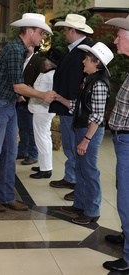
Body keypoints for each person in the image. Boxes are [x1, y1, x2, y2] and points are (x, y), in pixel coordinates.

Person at [0, 13, 55, 212]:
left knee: (10, 152)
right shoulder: (14, 50)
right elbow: (18, 86)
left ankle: (6, 196)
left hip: (6, 105)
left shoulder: (18, 49)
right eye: (40, 33)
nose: (42, 37)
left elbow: (12, 85)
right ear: (29, 31)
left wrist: (22, 94)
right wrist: (42, 94)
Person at [55, 42, 113, 225]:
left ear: (96, 63)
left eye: (87, 59)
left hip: (89, 133)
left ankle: (92, 210)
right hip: (81, 129)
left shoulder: (99, 84)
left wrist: (86, 140)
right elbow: (78, 107)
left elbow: (96, 117)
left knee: (89, 171)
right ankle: (80, 204)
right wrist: (59, 98)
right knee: (80, 169)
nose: (83, 62)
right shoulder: (90, 80)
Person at [48, 14, 95, 202]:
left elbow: (83, 82)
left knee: (76, 147)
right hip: (67, 106)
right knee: (69, 145)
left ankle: (78, 184)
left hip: (75, 108)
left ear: (73, 31)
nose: (64, 34)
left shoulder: (87, 50)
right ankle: (71, 177)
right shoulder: (75, 49)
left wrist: (70, 103)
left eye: (66, 30)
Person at [102, 15, 129, 273]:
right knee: (123, 194)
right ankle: (126, 236)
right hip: (123, 141)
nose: (115, 40)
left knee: (127, 200)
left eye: (119, 36)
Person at [28, 51, 58, 179]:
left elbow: (39, 92)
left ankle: (46, 169)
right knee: (45, 137)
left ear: (49, 64)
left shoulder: (47, 76)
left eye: (46, 61)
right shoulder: (53, 74)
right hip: (44, 109)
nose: (44, 62)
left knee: (42, 138)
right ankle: (44, 164)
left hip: (41, 109)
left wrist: (30, 90)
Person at [16, 45, 44, 165]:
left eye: (30, 46)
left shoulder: (38, 61)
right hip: (18, 100)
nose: (26, 48)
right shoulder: (18, 60)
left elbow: (39, 83)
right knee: (22, 128)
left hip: (30, 101)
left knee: (31, 130)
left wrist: (25, 96)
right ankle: (23, 151)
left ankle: (33, 154)